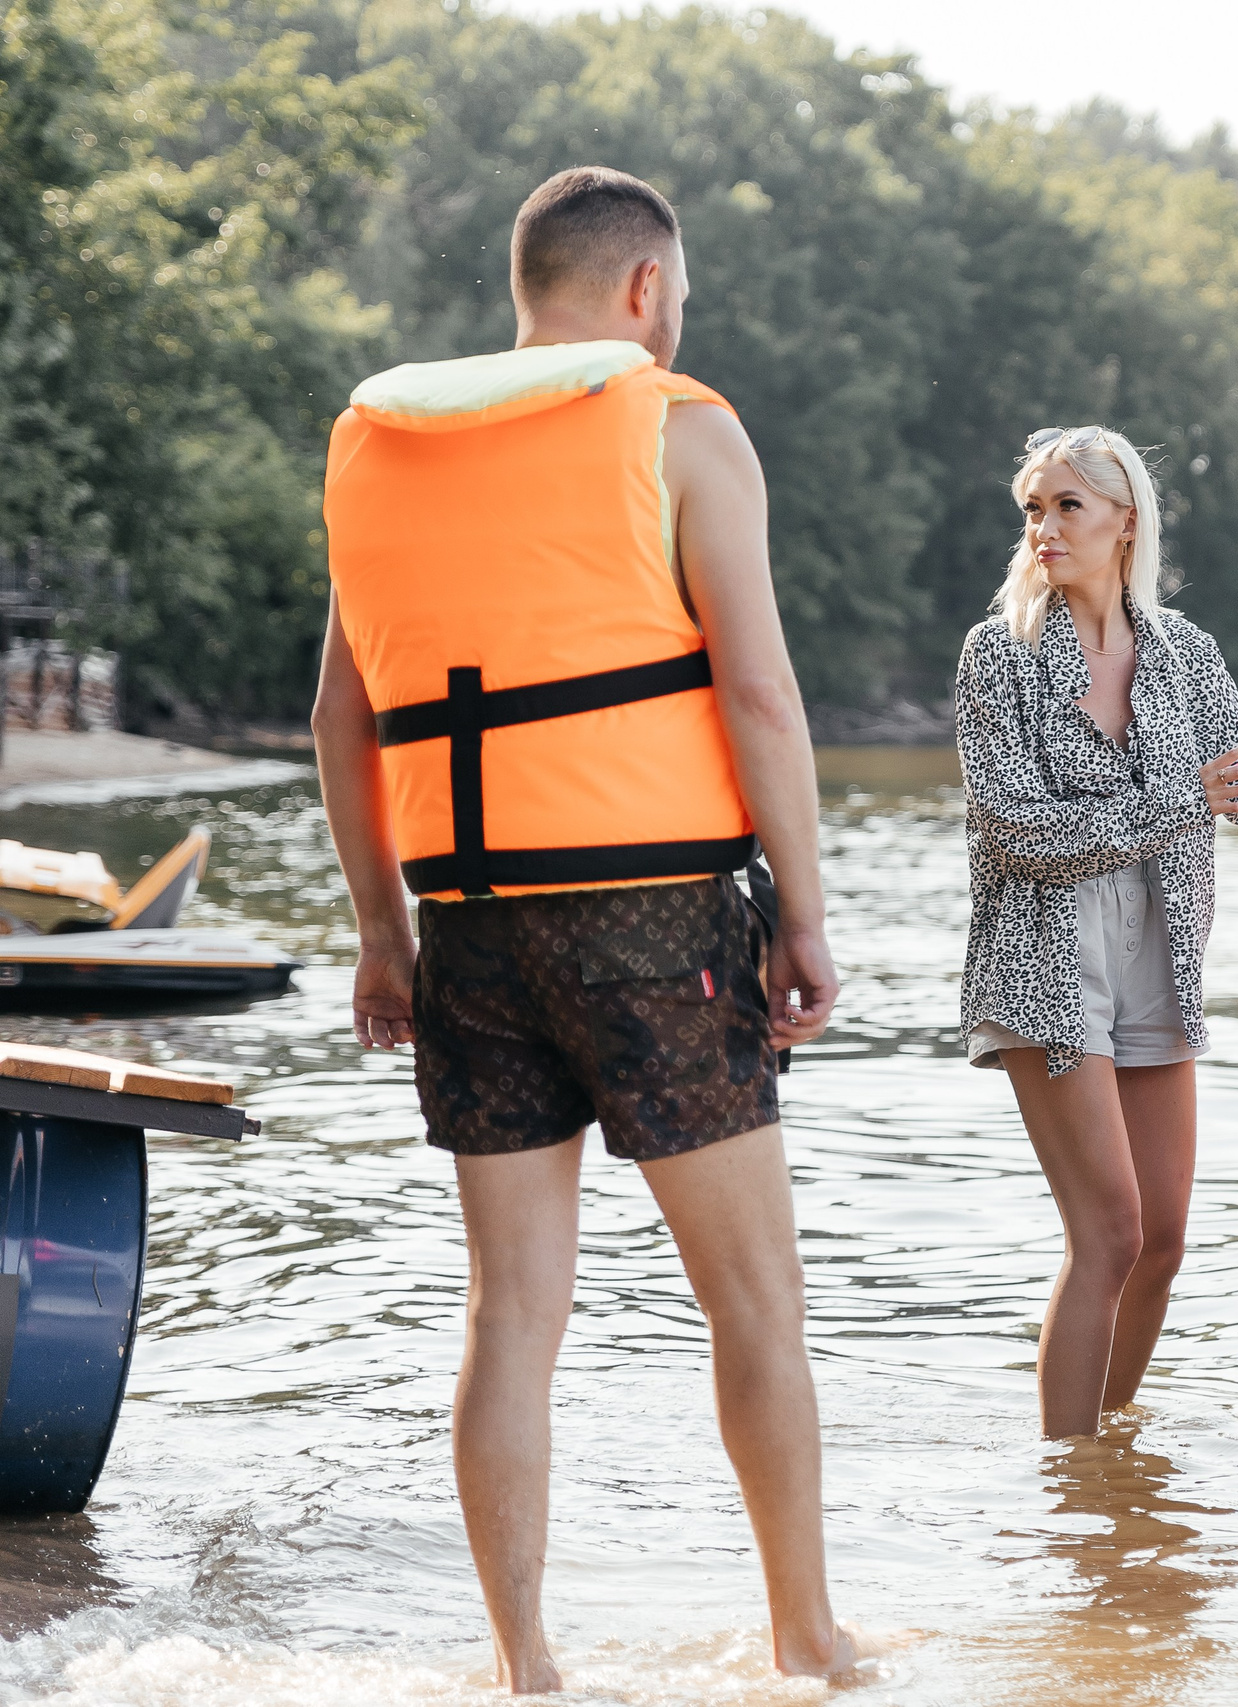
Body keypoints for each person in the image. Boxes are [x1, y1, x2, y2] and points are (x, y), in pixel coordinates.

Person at [310, 166, 878, 1691]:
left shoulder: (375, 446)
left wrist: (383, 932)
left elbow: (338, 715)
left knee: (511, 1314)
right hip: (654, 916)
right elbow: (758, 691)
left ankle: (525, 1663)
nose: (679, 318)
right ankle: (808, 1637)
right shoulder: (682, 425)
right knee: (755, 1298)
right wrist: (806, 913)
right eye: (678, 295)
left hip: (469, 928)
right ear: (642, 289)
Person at [955, 424, 1238, 1438]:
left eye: (1065, 507)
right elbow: (1016, 832)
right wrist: (1181, 799)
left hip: (1158, 955)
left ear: (1125, 522)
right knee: (1108, 1233)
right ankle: (1068, 1482)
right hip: (1042, 961)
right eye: (1032, 509)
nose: (1043, 527)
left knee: (1163, 1240)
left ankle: (1112, 1465)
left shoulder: (1185, 653)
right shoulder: (997, 655)